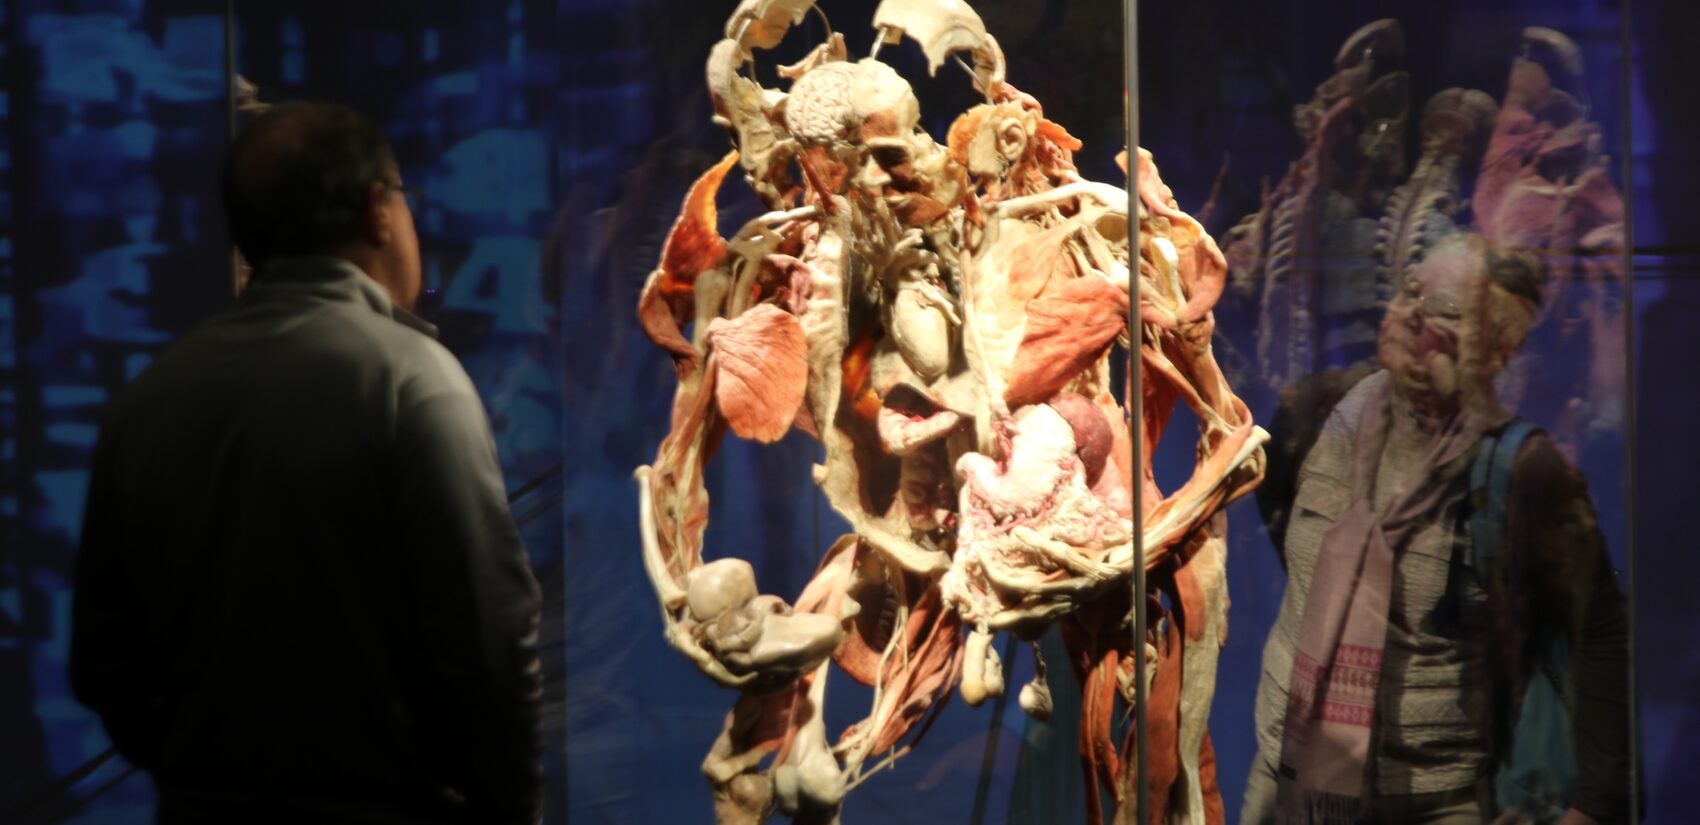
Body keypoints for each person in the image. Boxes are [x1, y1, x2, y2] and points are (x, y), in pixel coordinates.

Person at [69, 101, 544, 823]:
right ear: (378, 211)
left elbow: (103, 664)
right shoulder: (413, 378)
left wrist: (206, 775)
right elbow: (492, 648)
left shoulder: (150, 398)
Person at [1242, 234, 1632, 824]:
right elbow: (1280, 526)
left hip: (1434, 801)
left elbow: (1596, 629)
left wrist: (1593, 807)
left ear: (1498, 350)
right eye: (1410, 291)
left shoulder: (1523, 471)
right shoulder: (1318, 411)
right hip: (1285, 779)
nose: (1412, 315)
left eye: (1447, 311)